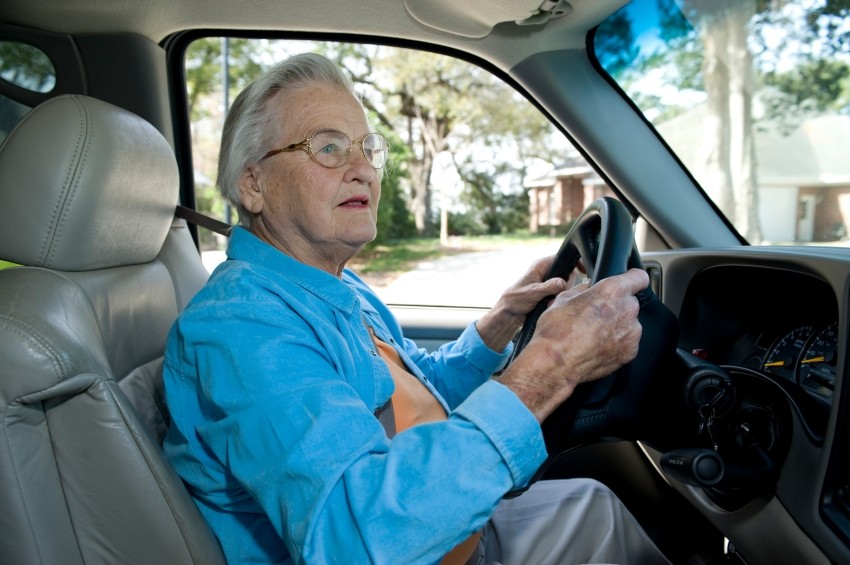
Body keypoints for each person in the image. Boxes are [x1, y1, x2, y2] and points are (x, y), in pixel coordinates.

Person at [162, 52, 670, 565]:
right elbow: (355, 536)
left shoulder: (336, 285)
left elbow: (408, 399)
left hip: (446, 527)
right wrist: (552, 362)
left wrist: (501, 326)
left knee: (594, 504)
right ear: (254, 185)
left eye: (368, 148)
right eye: (328, 147)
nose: (363, 170)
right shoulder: (239, 327)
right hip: (408, 543)